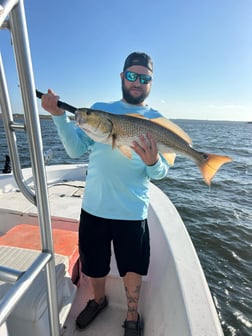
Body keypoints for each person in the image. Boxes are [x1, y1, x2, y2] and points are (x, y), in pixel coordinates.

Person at [41, 52, 169, 336]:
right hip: (94, 208)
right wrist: (60, 118)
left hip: (132, 211)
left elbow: (160, 173)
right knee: (94, 266)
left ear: (151, 82)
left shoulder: (158, 121)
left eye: (144, 78)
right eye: (132, 76)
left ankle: (132, 315)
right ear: (122, 77)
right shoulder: (99, 110)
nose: (137, 82)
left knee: (132, 267)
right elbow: (75, 150)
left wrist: (152, 162)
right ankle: (98, 301)